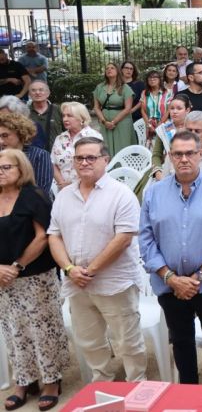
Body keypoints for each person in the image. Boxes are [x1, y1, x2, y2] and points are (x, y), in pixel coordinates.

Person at [140, 130, 202, 385]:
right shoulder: (153, 193)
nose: (184, 159)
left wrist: (198, 277)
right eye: (178, 154)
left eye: (189, 153)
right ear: (170, 157)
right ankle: (188, 396)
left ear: (200, 154)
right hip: (170, 286)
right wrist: (171, 278)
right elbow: (146, 240)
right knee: (182, 343)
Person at [48, 137, 146, 384]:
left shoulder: (121, 194)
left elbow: (123, 238)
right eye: (79, 158)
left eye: (91, 157)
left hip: (114, 282)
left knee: (128, 341)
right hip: (77, 283)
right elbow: (54, 235)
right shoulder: (64, 196)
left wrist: (89, 271)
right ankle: (102, 384)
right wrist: (70, 270)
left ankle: (137, 385)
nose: (84, 163)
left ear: (105, 159)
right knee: (90, 341)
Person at [0, 148, 68, 411]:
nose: (1, 172)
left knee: (43, 330)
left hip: (35, 277)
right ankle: (23, 381)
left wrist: (16, 266)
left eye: (7, 167)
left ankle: (51, 381)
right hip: (4, 281)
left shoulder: (34, 196)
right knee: (13, 331)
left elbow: (43, 237)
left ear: (21, 170)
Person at [50, 102, 103, 190]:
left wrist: (74, 185)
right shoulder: (60, 138)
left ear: (82, 118)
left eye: (69, 116)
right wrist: (61, 183)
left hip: (88, 187)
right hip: (62, 188)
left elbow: (97, 165)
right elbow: (52, 163)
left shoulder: (94, 137)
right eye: (64, 116)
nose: (65, 119)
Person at [0, 112, 52, 193]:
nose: (1, 141)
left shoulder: (39, 155)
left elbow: (41, 191)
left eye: (5, 135)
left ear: (20, 134)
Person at [93, 62, 136, 158]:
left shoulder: (125, 88)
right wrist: (104, 122)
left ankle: (123, 172)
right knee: (106, 148)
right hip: (105, 123)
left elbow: (128, 108)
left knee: (122, 148)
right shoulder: (99, 87)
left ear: (118, 71)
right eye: (107, 68)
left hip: (122, 122)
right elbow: (96, 107)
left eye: (112, 68)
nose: (109, 70)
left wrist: (113, 122)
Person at [148, 95, 192, 182]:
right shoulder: (164, 129)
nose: (174, 112)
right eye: (172, 108)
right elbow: (156, 155)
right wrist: (158, 172)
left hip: (189, 169)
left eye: (179, 108)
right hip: (167, 170)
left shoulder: (193, 129)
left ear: (187, 110)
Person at [139, 70, 171, 148]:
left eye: (155, 77)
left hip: (165, 124)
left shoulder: (168, 92)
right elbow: (143, 110)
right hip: (150, 125)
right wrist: (149, 125)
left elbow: (168, 111)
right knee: (151, 149)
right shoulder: (144, 93)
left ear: (160, 79)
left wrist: (159, 125)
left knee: (167, 147)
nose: (152, 79)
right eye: (150, 78)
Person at [27, 81, 62, 151]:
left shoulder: (58, 110)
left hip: (56, 155)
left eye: (41, 90)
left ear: (48, 93)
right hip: (32, 155)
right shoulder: (24, 111)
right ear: (29, 94)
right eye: (33, 90)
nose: (37, 92)